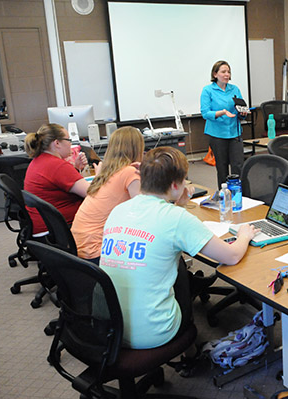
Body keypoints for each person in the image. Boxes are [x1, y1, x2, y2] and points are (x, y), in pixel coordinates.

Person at [99, 146, 259, 349]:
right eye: (184, 181)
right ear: (175, 185)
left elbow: (160, 224)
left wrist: (178, 205)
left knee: (172, 264)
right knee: (180, 269)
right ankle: (190, 352)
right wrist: (244, 235)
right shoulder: (176, 218)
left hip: (110, 327)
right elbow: (232, 256)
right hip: (153, 333)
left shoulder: (119, 210)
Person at [71, 127, 144, 264]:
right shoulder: (129, 172)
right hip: (96, 251)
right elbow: (146, 212)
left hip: (79, 245)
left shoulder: (106, 171)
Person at [24, 123, 89, 235]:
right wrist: (100, 175)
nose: (70, 144)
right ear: (57, 143)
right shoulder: (58, 166)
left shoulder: (40, 160)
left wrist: (76, 169)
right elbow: (94, 194)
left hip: (44, 227)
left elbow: (58, 181)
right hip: (58, 231)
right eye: (68, 140)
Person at [200, 60, 247, 189]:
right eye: (223, 72)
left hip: (234, 132)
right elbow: (205, 113)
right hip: (217, 134)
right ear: (215, 74)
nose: (227, 74)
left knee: (238, 165)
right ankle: (224, 195)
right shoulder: (208, 90)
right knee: (222, 167)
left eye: (228, 72)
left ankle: (239, 193)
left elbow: (240, 106)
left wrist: (242, 113)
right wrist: (222, 112)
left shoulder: (234, 89)